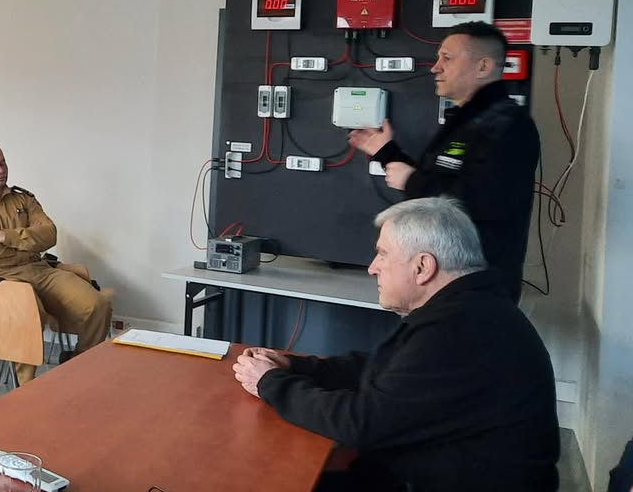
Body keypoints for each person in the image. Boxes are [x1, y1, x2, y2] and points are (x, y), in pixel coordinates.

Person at [233, 197, 559, 492]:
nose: (372, 268)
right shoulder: (467, 308)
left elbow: (361, 423)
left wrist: (270, 383)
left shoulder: (460, 330)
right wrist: (297, 366)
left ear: (422, 267)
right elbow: (383, 368)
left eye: (383, 254)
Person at [349, 21, 540, 302]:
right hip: (438, 279)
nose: (435, 67)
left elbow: (484, 201)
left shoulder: (509, 125)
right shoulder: (465, 121)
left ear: (483, 67)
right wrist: (387, 152)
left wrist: (411, 180)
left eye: (447, 58)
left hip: (477, 287)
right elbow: (437, 184)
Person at [0, 143, 111, 383]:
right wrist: (28, 240)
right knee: (28, 311)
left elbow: (50, 235)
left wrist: (7, 237)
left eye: (2, 163)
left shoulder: (23, 199)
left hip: (39, 270)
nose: (0, 170)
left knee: (96, 304)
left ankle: (81, 365)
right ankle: (26, 386)